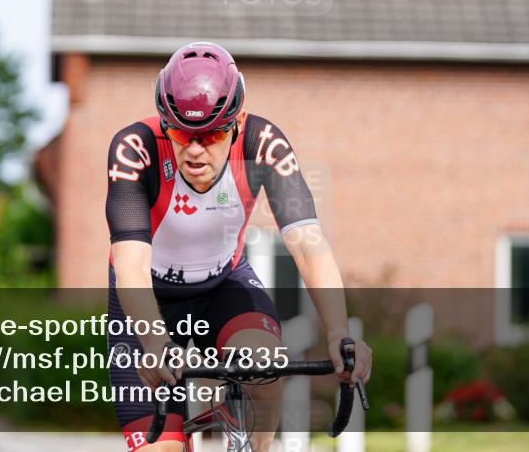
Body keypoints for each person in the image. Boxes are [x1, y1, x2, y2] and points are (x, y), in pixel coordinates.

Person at [106, 41, 372, 451]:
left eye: (210, 135)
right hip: (148, 299)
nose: (194, 150)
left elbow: (308, 244)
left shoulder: (263, 143)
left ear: (235, 122)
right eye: (180, 132)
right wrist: (156, 343)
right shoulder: (134, 149)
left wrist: (340, 331)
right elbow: (130, 267)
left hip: (223, 286)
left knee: (266, 366)